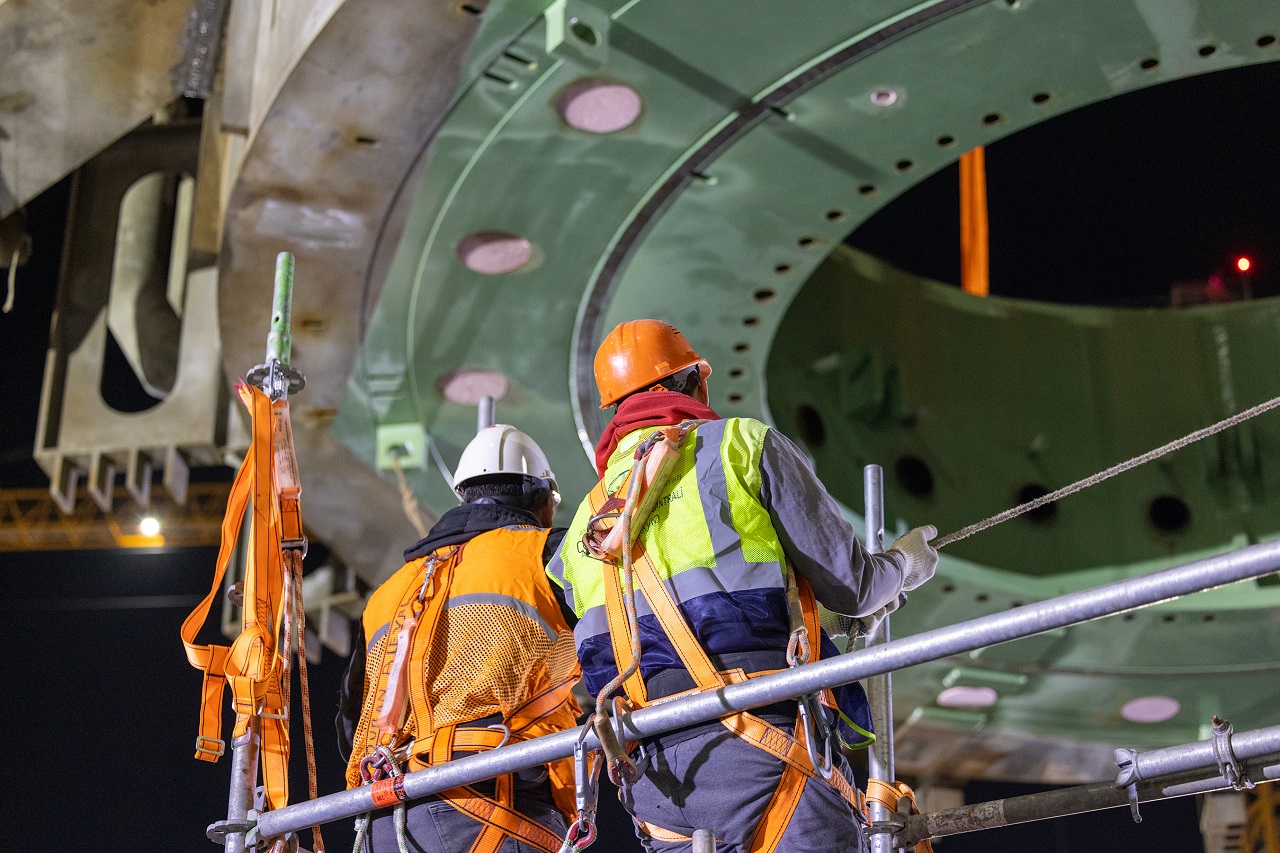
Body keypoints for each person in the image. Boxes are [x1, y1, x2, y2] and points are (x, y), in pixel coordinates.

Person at [546, 319, 939, 853]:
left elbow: (647, 629)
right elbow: (857, 587)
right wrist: (903, 565)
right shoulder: (739, 445)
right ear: (694, 382)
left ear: (614, 410)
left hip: (654, 782)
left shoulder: (580, 532)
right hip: (760, 745)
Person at [337, 424, 581, 853]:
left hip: (387, 819)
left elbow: (350, 726)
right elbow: (617, 644)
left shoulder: (388, 594)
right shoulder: (545, 553)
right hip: (495, 806)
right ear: (541, 498)